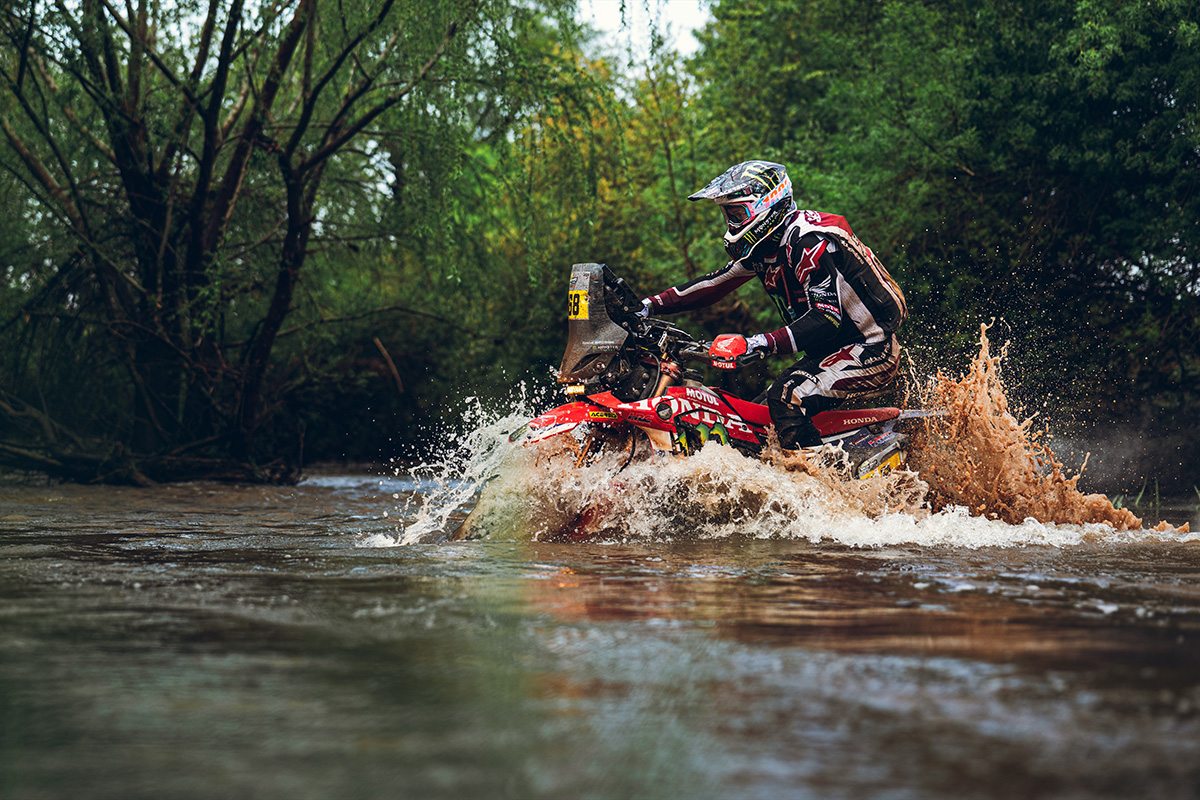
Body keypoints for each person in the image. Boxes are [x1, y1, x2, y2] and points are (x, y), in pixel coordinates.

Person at [640, 160, 907, 450]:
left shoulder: (806, 240)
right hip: (827, 352)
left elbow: (826, 318)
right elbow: (713, 284)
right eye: (728, 215)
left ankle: (822, 476)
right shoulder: (767, 247)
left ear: (767, 206)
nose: (731, 223)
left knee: (787, 397)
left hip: (871, 348)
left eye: (737, 214)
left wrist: (758, 343)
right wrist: (646, 306)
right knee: (755, 422)